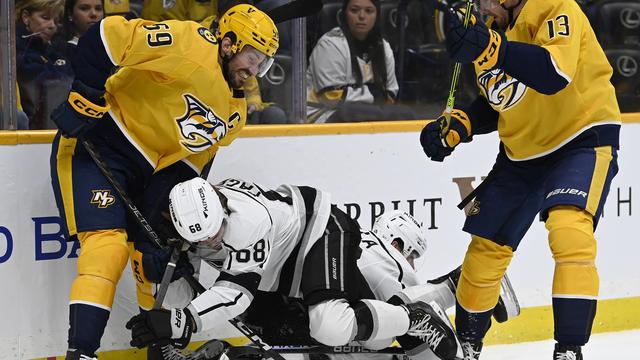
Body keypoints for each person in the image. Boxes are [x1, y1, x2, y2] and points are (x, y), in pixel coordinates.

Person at [48, 4, 279, 359]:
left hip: (149, 171)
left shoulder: (236, 113)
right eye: (252, 57)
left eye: (262, 63)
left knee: (155, 256)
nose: (254, 71)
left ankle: (162, 349)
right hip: (98, 142)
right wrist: (87, 95)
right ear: (229, 42)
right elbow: (108, 37)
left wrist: (166, 211)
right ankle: (80, 352)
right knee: (107, 249)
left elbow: (189, 164)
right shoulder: (188, 42)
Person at [419, 0, 620, 359]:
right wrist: (458, 127)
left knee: (569, 230)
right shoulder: (491, 31)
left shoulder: (556, 7)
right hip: (522, 152)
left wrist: (492, 47)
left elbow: (552, 73)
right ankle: (467, 346)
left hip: (581, 137)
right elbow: (498, 100)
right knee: (485, 248)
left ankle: (569, 350)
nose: (481, 6)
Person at [126, 177, 460, 360]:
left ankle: (416, 316)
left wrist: (181, 321)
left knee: (329, 326)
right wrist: (170, 328)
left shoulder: (247, 222)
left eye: (217, 232)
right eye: (203, 238)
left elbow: (234, 295)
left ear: (223, 210)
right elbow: (183, 273)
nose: (214, 242)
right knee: (357, 338)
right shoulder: (198, 220)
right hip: (284, 271)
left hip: (320, 232)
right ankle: (436, 297)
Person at [305, 0, 416, 123]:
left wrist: (354, 93)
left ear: (377, 15)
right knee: (354, 112)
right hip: (322, 114)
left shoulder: (383, 47)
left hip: (370, 111)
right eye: (354, 10)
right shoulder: (329, 45)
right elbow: (330, 96)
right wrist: (373, 92)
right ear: (344, 14)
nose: (362, 16)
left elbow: (390, 96)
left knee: (405, 113)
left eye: (369, 11)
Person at [15, 0, 73, 129]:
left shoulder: (48, 49)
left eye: (56, 20)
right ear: (25, 17)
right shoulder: (16, 49)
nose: (52, 25)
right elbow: (52, 82)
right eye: (45, 18)